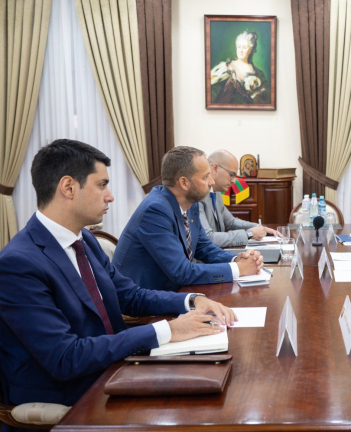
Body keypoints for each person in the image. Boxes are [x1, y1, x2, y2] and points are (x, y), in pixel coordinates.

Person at [0, 139, 237, 408]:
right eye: (102, 185)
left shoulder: (84, 240)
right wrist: (167, 330)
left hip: (115, 368)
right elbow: (66, 358)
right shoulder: (18, 264)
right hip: (75, 394)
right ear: (68, 187)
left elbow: (131, 296)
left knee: (220, 376)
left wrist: (192, 300)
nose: (110, 196)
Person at [113, 146, 263, 292]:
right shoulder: (155, 211)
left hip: (171, 292)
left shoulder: (191, 204)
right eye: (205, 177)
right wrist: (238, 269)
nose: (211, 182)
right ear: (184, 182)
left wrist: (237, 259)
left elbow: (204, 248)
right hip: (143, 300)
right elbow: (182, 272)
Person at [199, 150, 278, 248]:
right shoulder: (198, 196)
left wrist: (259, 227)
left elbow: (231, 222)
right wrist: (249, 234)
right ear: (215, 168)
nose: (234, 181)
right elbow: (209, 238)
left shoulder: (217, 193)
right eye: (231, 175)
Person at [210, 30, 270, 105]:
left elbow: (265, 102)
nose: (241, 50)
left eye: (244, 47)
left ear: (250, 50)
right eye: (239, 47)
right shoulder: (225, 67)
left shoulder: (259, 74)